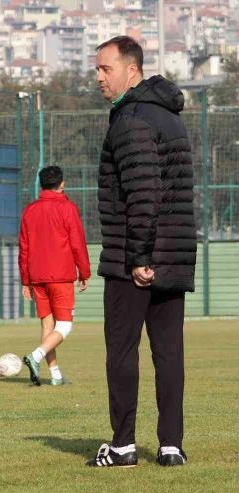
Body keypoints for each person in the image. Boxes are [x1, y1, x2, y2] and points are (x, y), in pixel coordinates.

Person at [86, 36, 195, 468]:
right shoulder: (171, 118)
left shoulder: (130, 119)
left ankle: (123, 445)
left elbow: (143, 192)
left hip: (136, 259)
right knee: (169, 354)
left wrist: (139, 258)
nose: (98, 77)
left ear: (132, 71)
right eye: (96, 69)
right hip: (175, 255)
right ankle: (171, 446)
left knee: (122, 350)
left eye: (105, 68)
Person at [19, 165, 90, 386]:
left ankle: (55, 376)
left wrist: (25, 280)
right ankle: (35, 356)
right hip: (60, 276)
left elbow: (24, 247)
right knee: (65, 326)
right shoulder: (67, 208)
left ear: (41, 184)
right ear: (62, 184)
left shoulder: (30, 210)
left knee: (48, 326)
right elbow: (77, 243)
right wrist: (84, 271)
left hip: (38, 277)